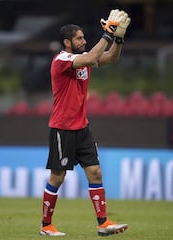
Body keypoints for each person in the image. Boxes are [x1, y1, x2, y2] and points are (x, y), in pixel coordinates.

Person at [39, 9, 131, 237]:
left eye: (83, 37)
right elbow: (91, 57)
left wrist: (117, 38)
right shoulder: (62, 60)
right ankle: (45, 225)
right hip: (62, 127)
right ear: (67, 42)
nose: (84, 41)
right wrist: (107, 34)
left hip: (82, 128)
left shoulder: (81, 59)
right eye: (79, 38)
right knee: (57, 177)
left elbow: (111, 57)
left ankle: (103, 223)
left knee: (95, 172)